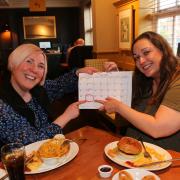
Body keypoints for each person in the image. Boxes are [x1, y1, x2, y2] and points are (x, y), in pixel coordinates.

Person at [0, 43, 98, 147]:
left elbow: (60, 84)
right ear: (14, 63)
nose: (34, 70)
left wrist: (78, 73)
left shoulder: (37, 90)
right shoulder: (2, 106)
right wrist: (66, 116)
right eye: (29, 61)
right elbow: (31, 145)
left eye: (40, 66)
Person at [97, 31, 180, 151]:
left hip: (164, 160)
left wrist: (118, 107)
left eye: (146, 52)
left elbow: (158, 128)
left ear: (163, 50)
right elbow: (123, 119)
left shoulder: (177, 81)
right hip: (130, 153)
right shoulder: (144, 80)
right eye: (136, 57)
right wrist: (116, 77)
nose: (141, 61)